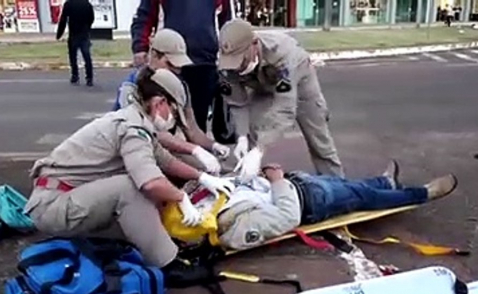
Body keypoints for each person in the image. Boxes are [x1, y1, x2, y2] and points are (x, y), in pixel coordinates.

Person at [24, 68, 235, 277]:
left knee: (146, 194)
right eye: (173, 110)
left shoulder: (136, 120)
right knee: (131, 187)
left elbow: (165, 160)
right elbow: (150, 182)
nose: (173, 119)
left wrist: (202, 177)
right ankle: (168, 266)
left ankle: (160, 247)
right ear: (159, 103)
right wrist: (181, 198)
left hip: (65, 198)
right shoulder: (132, 129)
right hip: (54, 206)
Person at [214, 161, 458, 251]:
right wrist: (277, 181)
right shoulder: (231, 231)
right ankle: (424, 193)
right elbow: (288, 218)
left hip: (300, 185)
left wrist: (259, 174)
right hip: (311, 201)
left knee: (355, 187)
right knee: (367, 197)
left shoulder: (205, 202)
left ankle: (386, 181)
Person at [217, 18, 344, 182]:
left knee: (319, 141)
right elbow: (237, 103)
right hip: (261, 85)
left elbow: (285, 109)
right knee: (253, 128)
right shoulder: (226, 63)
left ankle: (338, 185)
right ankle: (250, 181)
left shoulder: (282, 54)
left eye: (241, 59)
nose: (237, 66)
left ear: (254, 44)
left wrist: (259, 150)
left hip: (300, 79)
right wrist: (241, 136)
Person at [113, 29, 231, 174]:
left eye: (179, 66)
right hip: (136, 152)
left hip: (169, 150)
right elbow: (150, 134)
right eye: (170, 64)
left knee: (220, 170)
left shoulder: (178, 85)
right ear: (154, 55)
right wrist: (194, 150)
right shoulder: (132, 88)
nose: (176, 71)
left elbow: (192, 129)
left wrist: (214, 146)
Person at [130, 0, 233, 143]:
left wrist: (228, 52)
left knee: (196, 120)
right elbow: (144, 16)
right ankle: (163, 156)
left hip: (205, 61)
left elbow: (226, 23)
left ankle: (195, 156)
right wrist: (140, 47)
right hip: (169, 58)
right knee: (164, 116)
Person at [56, 0, 95, 86]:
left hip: (73, 33)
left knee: (73, 56)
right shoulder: (87, 4)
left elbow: (63, 19)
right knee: (87, 56)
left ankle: (75, 75)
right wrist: (87, 28)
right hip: (84, 33)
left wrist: (59, 34)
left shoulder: (69, 4)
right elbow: (91, 18)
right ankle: (89, 78)